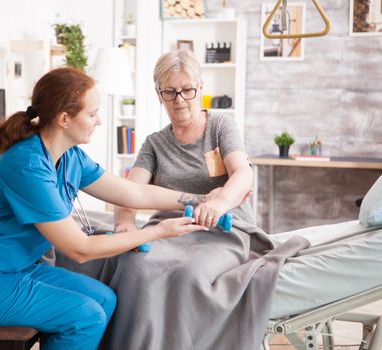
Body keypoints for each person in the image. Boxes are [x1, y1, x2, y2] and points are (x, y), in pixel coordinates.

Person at [0, 67, 209, 350]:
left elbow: (132, 192)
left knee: (104, 299)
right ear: (64, 118)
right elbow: (80, 249)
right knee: (84, 316)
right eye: (91, 113)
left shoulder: (70, 156)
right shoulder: (26, 165)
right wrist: (157, 232)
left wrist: (197, 199)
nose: (98, 120)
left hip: (12, 269)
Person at [94, 50, 307, 350]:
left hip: (224, 231)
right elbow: (129, 192)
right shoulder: (154, 144)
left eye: (187, 90)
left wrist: (220, 203)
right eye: (170, 92)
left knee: (190, 274)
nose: (180, 99)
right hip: (171, 231)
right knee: (134, 266)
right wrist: (125, 224)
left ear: (200, 88)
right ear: (159, 95)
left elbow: (243, 174)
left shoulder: (221, 127)